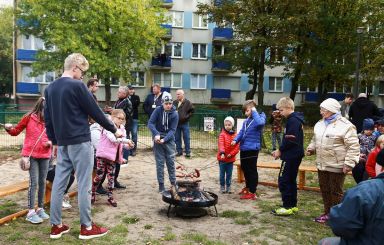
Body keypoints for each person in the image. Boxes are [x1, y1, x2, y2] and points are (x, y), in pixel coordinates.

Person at [44, 53, 122, 240]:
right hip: (80, 141)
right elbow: (95, 111)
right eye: (82, 72)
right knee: (85, 184)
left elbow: (48, 119)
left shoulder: (49, 89)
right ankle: (86, 227)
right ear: (75, 67)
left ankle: (56, 226)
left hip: (62, 143)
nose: (83, 76)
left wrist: (54, 141)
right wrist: (113, 128)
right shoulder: (77, 85)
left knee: (59, 184)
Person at [306, 98, 359, 224]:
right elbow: (315, 139)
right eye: (321, 109)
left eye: (323, 109)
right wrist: (311, 148)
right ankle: (327, 213)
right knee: (324, 189)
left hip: (337, 165)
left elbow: (354, 146)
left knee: (336, 191)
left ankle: (336, 216)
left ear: (331, 110)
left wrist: (349, 163)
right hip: (322, 163)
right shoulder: (320, 123)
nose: (321, 112)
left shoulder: (346, 126)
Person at [318, 148, 384, 245]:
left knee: (324, 242)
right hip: (327, 164)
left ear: (381, 167)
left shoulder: (365, 191)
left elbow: (342, 227)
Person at [4, 97, 51, 224]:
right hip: (31, 156)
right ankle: (31, 212)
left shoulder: (51, 120)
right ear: (41, 108)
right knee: (34, 182)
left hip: (45, 155)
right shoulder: (29, 117)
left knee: (42, 182)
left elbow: (56, 136)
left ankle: (40, 208)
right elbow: (15, 131)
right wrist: (8, 128)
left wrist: (51, 142)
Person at [92, 109, 134, 207]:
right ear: (112, 117)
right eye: (119, 118)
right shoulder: (108, 127)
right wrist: (126, 140)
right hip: (103, 155)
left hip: (113, 157)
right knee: (99, 176)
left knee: (111, 177)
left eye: (123, 119)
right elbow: (114, 139)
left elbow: (122, 144)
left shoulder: (122, 129)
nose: (121, 120)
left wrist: (129, 145)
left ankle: (110, 197)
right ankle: (92, 193)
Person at [271, 97, 304, 216]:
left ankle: (287, 206)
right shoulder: (294, 119)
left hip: (291, 156)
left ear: (288, 108)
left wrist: (280, 150)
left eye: (280, 110)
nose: (279, 113)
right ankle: (292, 205)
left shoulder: (293, 121)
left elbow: (291, 139)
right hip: (294, 155)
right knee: (290, 180)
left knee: (283, 180)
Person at [231, 100, 266, 200]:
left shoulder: (260, 117)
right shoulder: (246, 121)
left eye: (247, 111)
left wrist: (254, 111)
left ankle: (252, 191)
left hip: (253, 148)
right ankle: (248, 187)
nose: (245, 113)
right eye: (245, 111)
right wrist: (235, 140)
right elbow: (241, 132)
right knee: (245, 168)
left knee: (251, 170)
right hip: (244, 148)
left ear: (253, 109)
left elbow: (260, 123)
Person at [147, 92, 178, 193]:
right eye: (166, 103)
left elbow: (173, 130)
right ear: (162, 103)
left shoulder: (175, 114)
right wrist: (156, 134)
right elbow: (150, 123)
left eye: (170, 103)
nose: (168, 105)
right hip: (158, 137)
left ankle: (173, 183)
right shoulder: (157, 110)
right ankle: (161, 185)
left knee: (171, 162)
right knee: (160, 163)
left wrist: (164, 140)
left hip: (169, 139)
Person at [105, 87, 133, 189]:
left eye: (120, 92)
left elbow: (126, 115)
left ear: (125, 93)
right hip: (114, 129)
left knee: (119, 154)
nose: (118, 93)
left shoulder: (128, 102)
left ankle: (115, 180)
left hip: (122, 128)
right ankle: (107, 182)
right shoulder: (118, 101)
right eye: (118, 91)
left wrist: (116, 113)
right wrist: (111, 111)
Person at [217, 116, 239, 194]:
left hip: (230, 159)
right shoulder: (222, 134)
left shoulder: (236, 135)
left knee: (229, 174)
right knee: (222, 174)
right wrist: (222, 153)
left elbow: (237, 147)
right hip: (222, 159)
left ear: (232, 125)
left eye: (229, 125)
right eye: (226, 125)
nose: (227, 126)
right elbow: (221, 144)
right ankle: (222, 186)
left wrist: (231, 154)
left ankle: (228, 186)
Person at [352, 118, 376, 183]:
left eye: (370, 129)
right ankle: (359, 180)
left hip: (369, 155)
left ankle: (364, 180)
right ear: (363, 129)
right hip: (361, 154)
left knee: (367, 168)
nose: (368, 131)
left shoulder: (374, 137)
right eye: (367, 129)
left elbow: (375, 145)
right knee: (359, 168)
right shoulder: (360, 136)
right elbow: (355, 144)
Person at [173, 89, 194, 158]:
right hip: (176, 124)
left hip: (185, 123)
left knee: (186, 138)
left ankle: (188, 152)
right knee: (177, 138)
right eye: (177, 94)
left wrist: (186, 117)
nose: (177, 95)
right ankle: (179, 151)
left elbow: (192, 111)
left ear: (183, 95)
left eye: (179, 94)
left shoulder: (188, 102)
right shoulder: (174, 102)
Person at [127, 85, 140, 156]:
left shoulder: (136, 97)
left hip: (134, 118)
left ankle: (134, 149)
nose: (131, 90)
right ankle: (128, 150)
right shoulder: (125, 97)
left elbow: (134, 105)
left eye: (132, 89)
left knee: (134, 133)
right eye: (130, 89)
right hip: (127, 119)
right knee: (127, 134)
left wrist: (129, 99)